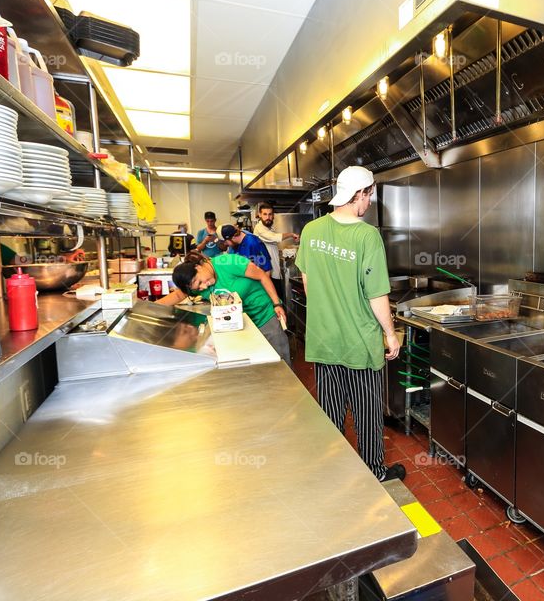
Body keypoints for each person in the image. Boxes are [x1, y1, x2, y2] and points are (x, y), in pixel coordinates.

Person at [295, 165, 404, 482]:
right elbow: (377, 295)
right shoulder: (367, 236)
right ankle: (373, 471)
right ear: (360, 194)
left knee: (330, 411)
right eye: (369, 194)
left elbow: (307, 280)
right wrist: (390, 334)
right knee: (367, 412)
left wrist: (329, 308)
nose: (370, 201)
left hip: (323, 340)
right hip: (359, 343)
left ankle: (333, 470)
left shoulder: (312, 231)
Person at [157, 251, 291, 363]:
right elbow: (178, 296)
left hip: (265, 315)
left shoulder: (227, 262)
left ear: (198, 267)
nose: (203, 287)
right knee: (259, 363)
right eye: (198, 288)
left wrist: (276, 303)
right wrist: (148, 307)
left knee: (279, 361)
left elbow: (262, 275)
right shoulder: (197, 285)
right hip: (242, 325)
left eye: (200, 282)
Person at [254, 202, 298, 305]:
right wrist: (292, 234)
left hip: (274, 271)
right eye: (265, 214)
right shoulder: (259, 228)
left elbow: (272, 245)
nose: (268, 217)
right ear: (259, 215)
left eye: (270, 214)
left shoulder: (270, 228)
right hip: (267, 272)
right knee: (275, 302)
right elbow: (275, 238)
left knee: (278, 300)